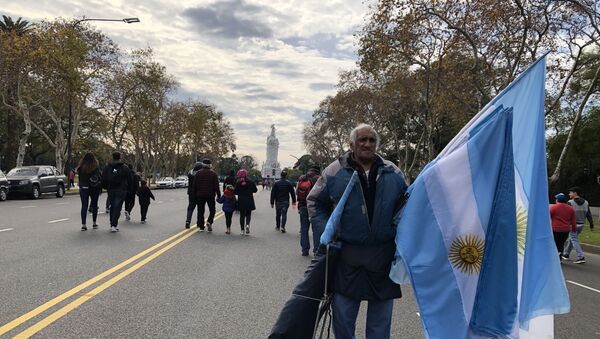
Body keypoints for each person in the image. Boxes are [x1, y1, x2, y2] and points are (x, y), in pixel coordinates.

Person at [307, 123, 408, 339]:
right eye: (362, 139)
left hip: (383, 256)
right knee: (343, 321)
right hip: (347, 255)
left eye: (372, 140)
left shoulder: (393, 172)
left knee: (380, 326)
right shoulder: (334, 171)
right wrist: (327, 230)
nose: (367, 144)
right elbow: (315, 201)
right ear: (351, 144)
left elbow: (408, 207)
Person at [101, 151, 133, 233]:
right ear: (120, 157)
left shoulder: (107, 167)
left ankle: (112, 223)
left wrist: (105, 186)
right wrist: (129, 189)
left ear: (112, 157)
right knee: (117, 207)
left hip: (111, 189)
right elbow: (130, 179)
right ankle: (114, 224)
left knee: (112, 206)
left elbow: (103, 178)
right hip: (121, 189)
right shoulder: (125, 167)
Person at [562, 186, 595, 264]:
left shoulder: (570, 202)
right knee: (572, 239)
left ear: (575, 193)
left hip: (572, 225)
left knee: (574, 239)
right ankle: (566, 254)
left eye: (571, 192)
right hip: (581, 225)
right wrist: (591, 225)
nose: (569, 194)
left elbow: (567, 214)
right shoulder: (586, 202)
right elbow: (589, 214)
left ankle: (581, 256)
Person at [297, 166, 321, 256]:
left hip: (303, 206)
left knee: (304, 228)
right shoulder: (318, 179)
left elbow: (297, 193)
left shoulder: (302, 179)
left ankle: (304, 250)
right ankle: (316, 251)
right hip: (315, 207)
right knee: (316, 229)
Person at [192, 158, 221, 232]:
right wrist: (219, 195)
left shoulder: (198, 173)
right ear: (210, 165)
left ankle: (201, 226)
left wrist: (194, 195)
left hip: (200, 195)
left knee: (200, 210)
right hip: (210, 195)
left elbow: (194, 185)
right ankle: (209, 221)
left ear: (202, 165)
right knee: (212, 210)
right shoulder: (213, 174)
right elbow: (216, 186)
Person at [77, 152, 102, 231]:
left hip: (84, 188)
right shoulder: (95, 167)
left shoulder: (81, 167)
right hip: (94, 188)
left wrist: (81, 185)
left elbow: (80, 179)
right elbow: (99, 177)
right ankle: (94, 223)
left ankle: (83, 225)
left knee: (84, 206)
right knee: (94, 205)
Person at [550, 193, 577, 261]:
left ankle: (554, 259)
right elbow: (573, 221)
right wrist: (574, 229)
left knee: (554, 244)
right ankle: (559, 257)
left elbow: (547, 218)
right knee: (561, 244)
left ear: (557, 200)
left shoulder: (553, 207)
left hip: (555, 229)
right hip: (565, 230)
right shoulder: (571, 209)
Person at [234, 169, 257, 235]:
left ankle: (242, 230)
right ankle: (247, 225)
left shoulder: (238, 182)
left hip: (241, 200)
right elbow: (255, 190)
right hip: (249, 200)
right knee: (248, 215)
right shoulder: (251, 181)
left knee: (242, 216)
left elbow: (235, 192)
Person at [185, 161, 204, 229]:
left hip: (191, 193)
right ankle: (199, 223)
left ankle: (188, 221)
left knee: (190, 207)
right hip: (199, 192)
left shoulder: (190, 173)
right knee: (200, 208)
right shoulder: (200, 174)